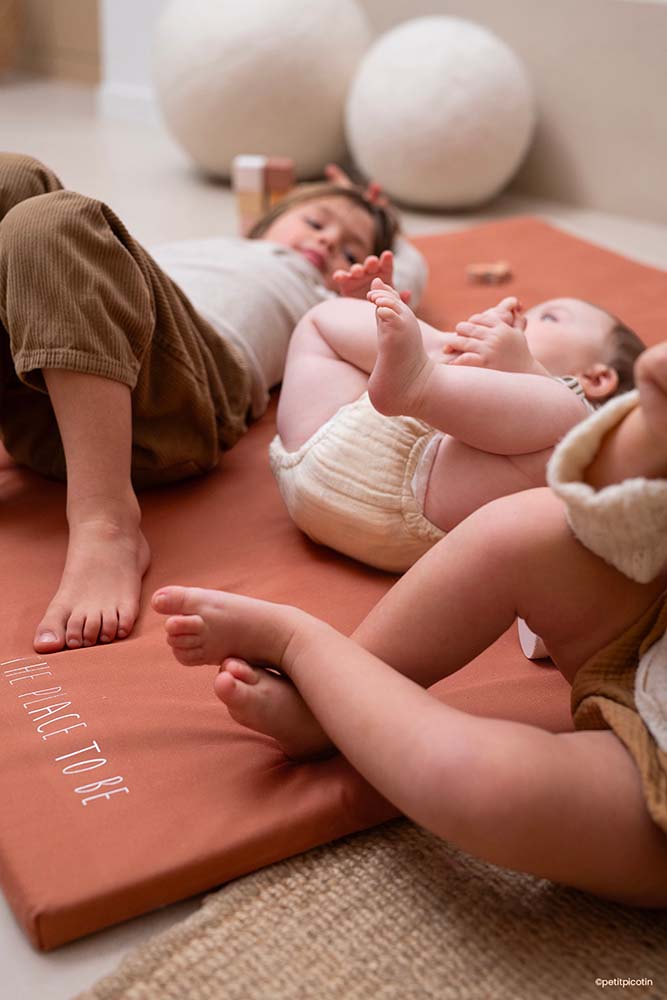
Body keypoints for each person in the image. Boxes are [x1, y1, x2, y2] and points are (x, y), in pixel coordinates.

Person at [153, 340, 667, 907]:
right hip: (648, 620)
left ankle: (303, 645)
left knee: (486, 785)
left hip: (653, 762)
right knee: (522, 529)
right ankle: (333, 701)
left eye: (552, 320)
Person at [0, 153, 421, 653]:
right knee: (13, 178)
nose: (328, 241)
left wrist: (380, 222)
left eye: (350, 248)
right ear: (266, 218)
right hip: (40, 384)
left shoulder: (322, 291)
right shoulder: (219, 245)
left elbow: (411, 263)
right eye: (314, 220)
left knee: (52, 217)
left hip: (181, 392)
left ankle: (106, 522)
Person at [269, 266, 645, 572]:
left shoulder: (584, 417)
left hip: (423, 501)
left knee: (567, 423)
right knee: (320, 319)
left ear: (596, 377)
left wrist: (524, 368)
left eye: (547, 318)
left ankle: (422, 371)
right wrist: (371, 316)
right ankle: (421, 352)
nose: (522, 320)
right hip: (318, 439)